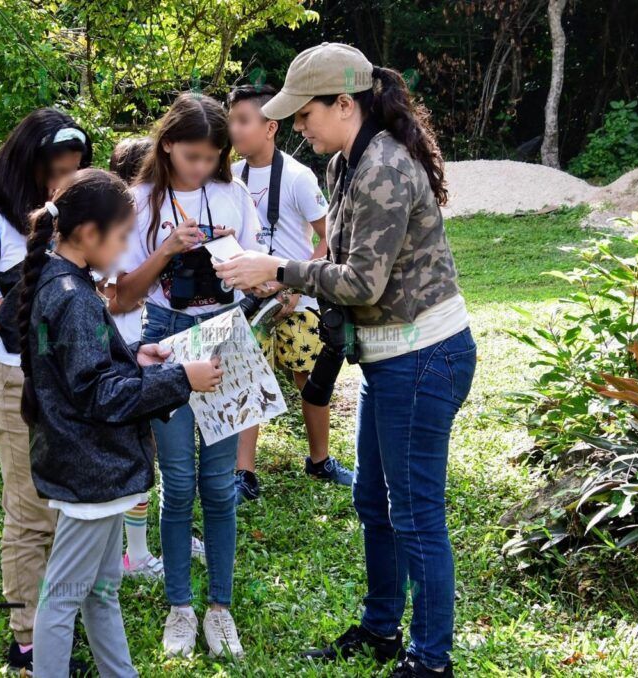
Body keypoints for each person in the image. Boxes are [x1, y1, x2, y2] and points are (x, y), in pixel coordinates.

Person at [214, 43, 476, 677]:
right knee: (374, 502)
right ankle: (383, 630)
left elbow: (361, 283)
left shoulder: (385, 166)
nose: (298, 127)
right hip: (390, 360)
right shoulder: (344, 166)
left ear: (344, 104)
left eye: (305, 114)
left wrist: (278, 267)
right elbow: (335, 267)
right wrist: (277, 282)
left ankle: (431, 659)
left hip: (423, 356)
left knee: (415, 513)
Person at [17, 168, 222, 677]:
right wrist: (181, 379)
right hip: (93, 471)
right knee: (63, 599)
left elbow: (79, 370)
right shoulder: (73, 296)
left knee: (102, 591)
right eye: (125, 236)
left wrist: (135, 356)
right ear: (89, 234)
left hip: (91, 467)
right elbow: (101, 396)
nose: (128, 249)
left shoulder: (59, 280)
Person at [116, 92, 263, 660]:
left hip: (225, 329)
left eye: (211, 157)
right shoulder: (140, 199)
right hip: (164, 332)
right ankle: (180, 606)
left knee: (220, 484)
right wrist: (170, 247)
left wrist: (241, 265)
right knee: (177, 482)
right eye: (192, 156)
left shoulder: (234, 192)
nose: (202, 167)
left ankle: (219, 608)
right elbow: (124, 289)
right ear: (168, 144)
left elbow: (254, 271)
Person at [0, 108, 92, 672]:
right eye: (54, 173)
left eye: (73, 171)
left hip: (68, 381)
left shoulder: (73, 218)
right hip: (16, 381)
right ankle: (29, 641)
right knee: (28, 513)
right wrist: (32, 292)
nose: (62, 184)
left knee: (68, 511)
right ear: (26, 167)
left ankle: (58, 623)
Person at [227, 83, 353, 503]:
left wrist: (294, 283)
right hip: (250, 301)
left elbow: (328, 238)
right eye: (231, 120)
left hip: (298, 298)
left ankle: (320, 460)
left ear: (270, 127)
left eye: (243, 120)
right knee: (249, 381)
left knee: (309, 379)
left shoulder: (298, 177)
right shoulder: (229, 178)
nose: (234, 129)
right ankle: (244, 474)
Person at [100, 136, 166, 579]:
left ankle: (140, 546)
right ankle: (135, 554)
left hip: (135, 347)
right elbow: (118, 299)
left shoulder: (128, 227)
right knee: (134, 458)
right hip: (120, 354)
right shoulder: (113, 234)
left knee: (149, 454)